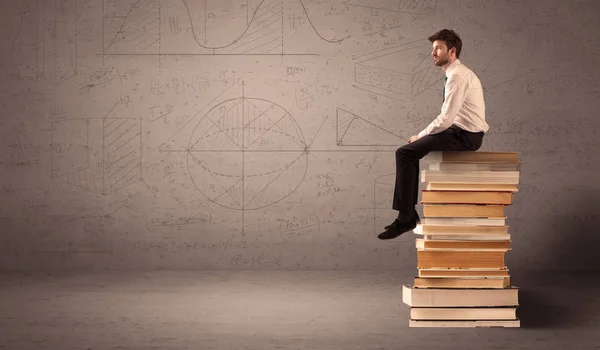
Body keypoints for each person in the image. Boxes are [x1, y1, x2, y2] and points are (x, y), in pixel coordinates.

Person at [378, 29, 489, 240]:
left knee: (405, 153)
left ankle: (406, 218)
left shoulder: (458, 77)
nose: (433, 53)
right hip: (458, 131)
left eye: (438, 48)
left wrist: (420, 135)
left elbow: (446, 118)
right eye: (433, 48)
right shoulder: (455, 74)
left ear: (452, 51)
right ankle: (407, 216)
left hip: (465, 136)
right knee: (407, 153)